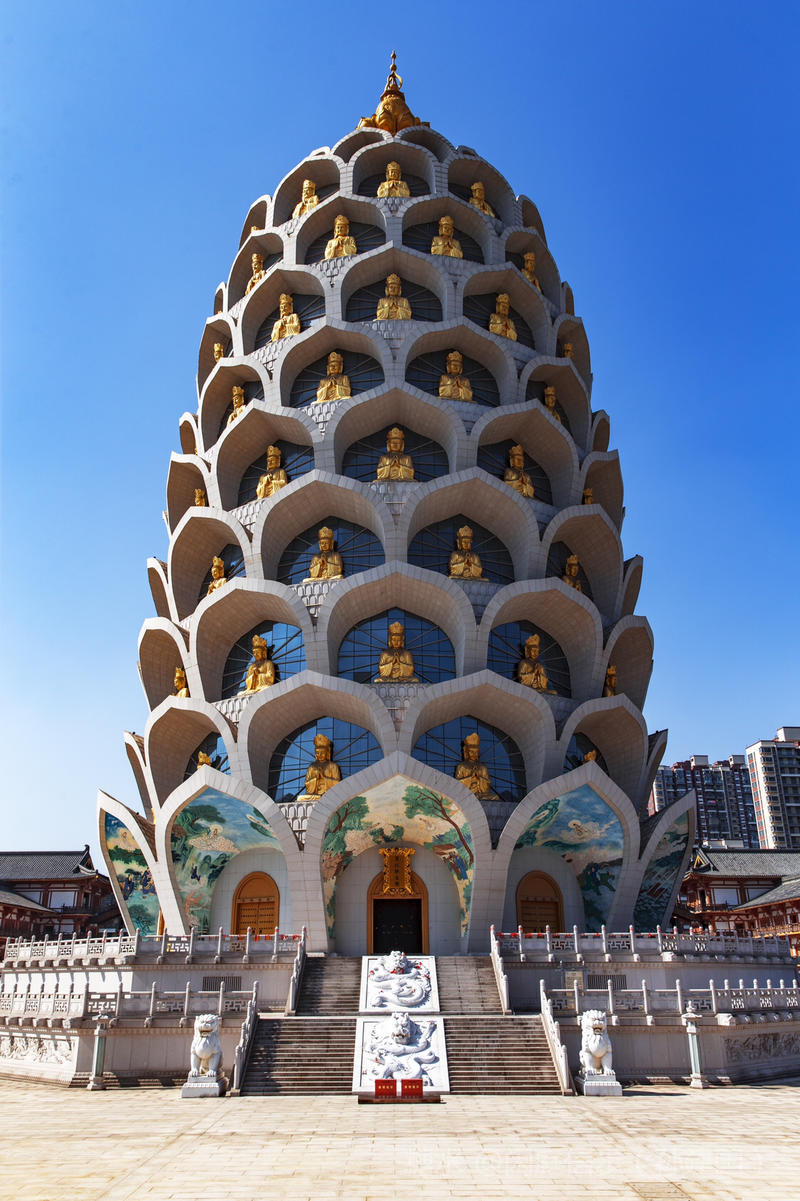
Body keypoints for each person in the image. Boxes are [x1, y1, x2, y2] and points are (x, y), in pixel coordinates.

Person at [454, 732, 497, 798]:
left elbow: (488, 783)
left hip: (481, 794)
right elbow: (457, 783)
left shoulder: (482, 767)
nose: (474, 754)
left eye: (476, 752)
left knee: (494, 797)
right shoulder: (462, 766)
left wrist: (479, 777)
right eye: (472, 752)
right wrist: (471, 777)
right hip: (465, 794)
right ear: (467, 752)